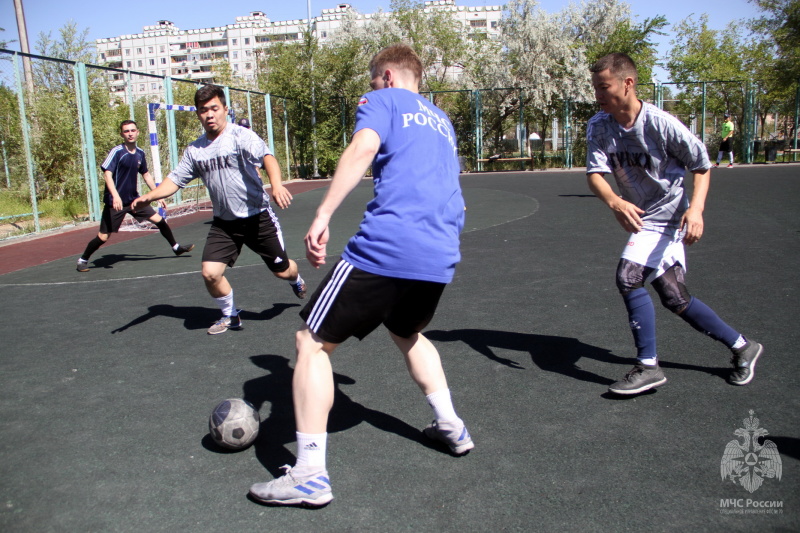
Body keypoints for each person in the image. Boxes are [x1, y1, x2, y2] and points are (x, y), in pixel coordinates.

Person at [249, 43, 473, 507]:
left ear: (387, 76)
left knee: (309, 343)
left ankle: (309, 473)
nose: (368, 90)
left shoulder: (382, 100)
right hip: (441, 251)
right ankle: (451, 424)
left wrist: (324, 213)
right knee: (407, 331)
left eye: (372, 81)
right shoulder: (443, 121)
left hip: (389, 245)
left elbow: (363, 148)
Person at [585, 53, 763, 396]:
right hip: (643, 216)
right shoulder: (599, 125)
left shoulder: (660, 123)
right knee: (674, 297)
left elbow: (701, 164)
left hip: (667, 215)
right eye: (595, 88)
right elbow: (595, 174)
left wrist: (695, 210)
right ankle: (743, 346)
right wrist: (615, 201)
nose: (598, 94)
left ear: (628, 83)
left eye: (603, 86)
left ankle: (648, 367)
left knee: (628, 276)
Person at [131, 85, 306, 335]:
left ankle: (296, 280)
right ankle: (230, 315)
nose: (209, 115)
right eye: (203, 110)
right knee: (210, 273)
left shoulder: (240, 136)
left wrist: (276, 185)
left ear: (225, 109)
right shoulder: (195, 150)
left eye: (214, 108)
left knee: (282, 271)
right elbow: (175, 180)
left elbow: (268, 157)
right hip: (225, 224)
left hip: (257, 219)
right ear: (198, 115)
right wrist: (149, 195)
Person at [76, 120, 194, 272]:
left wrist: (156, 195)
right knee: (103, 237)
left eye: (132, 130)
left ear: (138, 132)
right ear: (122, 134)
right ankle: (82, 260)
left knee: (160, 220)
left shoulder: (140, 153)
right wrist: (116, 196)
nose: (130, 133)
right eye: (126, 131)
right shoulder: (117, 152)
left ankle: (176, 247)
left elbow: (146, 174)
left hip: (134, 201)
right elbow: (107, 175)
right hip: (115, 203)